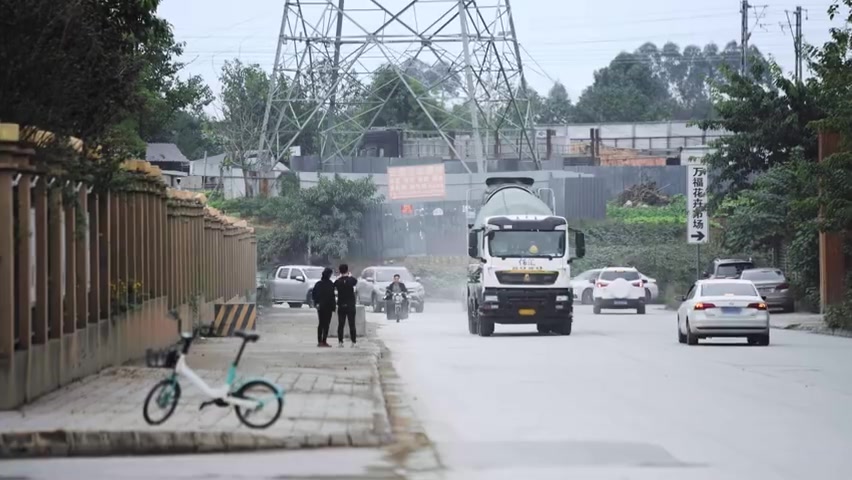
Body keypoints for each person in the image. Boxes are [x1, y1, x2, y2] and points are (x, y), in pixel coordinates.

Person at [333, 264, 358, 347]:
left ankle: (340, 342)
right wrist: (350, 276)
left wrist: (339, 277)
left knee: (341, 324)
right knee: (352, 324)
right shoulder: (351, 280)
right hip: (350, 305)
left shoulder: (338, 281)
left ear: (340, 271)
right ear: (347, 270)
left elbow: (334, 284)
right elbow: (355, 281)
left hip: (341, 305)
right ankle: (353, 342)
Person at [311, 267, 336, 347]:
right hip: (328, 307)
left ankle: (320, 341)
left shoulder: (318, 284)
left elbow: (314, 295)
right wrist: (334, 306)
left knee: (321, 323)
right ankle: (324, 340)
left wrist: (316, 303)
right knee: (326, 324)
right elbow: (332, 296)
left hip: (320, 306)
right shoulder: (331, 284)